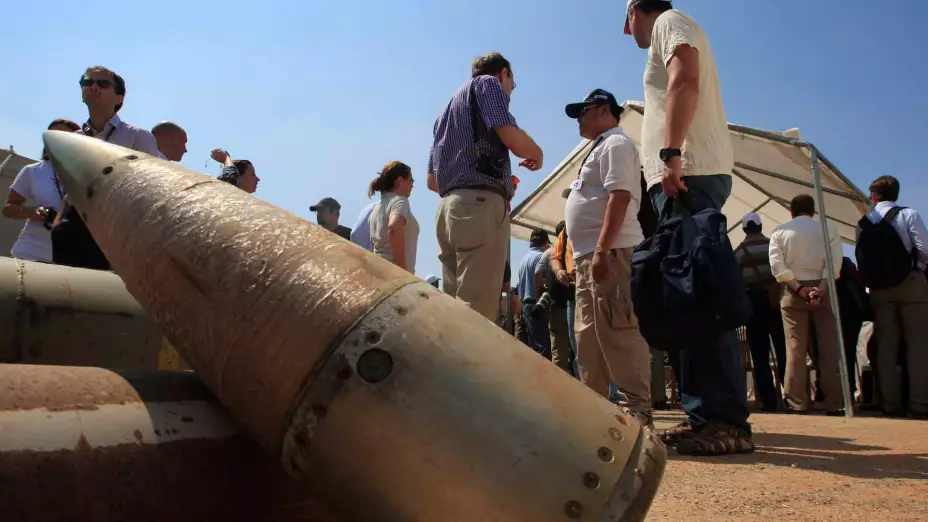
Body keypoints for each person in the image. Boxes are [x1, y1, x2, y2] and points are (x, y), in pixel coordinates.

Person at [625, 0, 753, 454]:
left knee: (700, 295)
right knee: (686, 298)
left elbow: (685, 76)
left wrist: (670, 152)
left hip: (688, 173)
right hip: (683, 175)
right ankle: (705, 415)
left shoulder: (669, 22)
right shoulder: (667, 26)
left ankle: (726, 421)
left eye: (626, 20)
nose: (627, 32)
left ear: (636, 9)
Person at [428, 52, 544, 321]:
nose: (510, 93)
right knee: (476, 315)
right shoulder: (486, 84)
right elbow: (507, 131)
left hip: (447, 209)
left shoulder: (444, 113)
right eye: (512, 86)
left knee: (455, 311)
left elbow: (432, 181)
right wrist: (536, 153)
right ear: (504, 73)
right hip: (478, 207)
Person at [563, 88, 652, 425]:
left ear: (602, 110)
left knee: (618, 329)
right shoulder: (599, 148)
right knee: (588, 337)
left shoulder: (616, 144)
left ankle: (638, 408)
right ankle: (595, 412)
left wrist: (601, 249)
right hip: (591, 256)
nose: (578, 120)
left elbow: (620, 196)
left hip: (612, 251)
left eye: (582, 113)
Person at [51, 66, 163, 270]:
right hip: (75, 227)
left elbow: (153, 186)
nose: (93, 87)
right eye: (87, 83)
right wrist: (58, 226)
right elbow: (69, 193)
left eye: (102, 84)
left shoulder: (138, 137)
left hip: (119, 225)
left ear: (119, 98)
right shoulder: (74, 140)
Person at [858, 175, 928, 418]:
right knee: (918, 345)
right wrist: (917, 269)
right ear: (895, 194)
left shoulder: (864, 222)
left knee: (886, 346)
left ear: (874, 196)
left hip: (879, 289)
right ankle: (920, 405)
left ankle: (890, 404)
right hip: (911, 283)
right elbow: (924, 248)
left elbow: (862, 258)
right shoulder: (909, 214)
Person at [768, 194, 845, 416]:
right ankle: (834, 402)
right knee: (829, 348)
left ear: (792, 211)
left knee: (795, 348)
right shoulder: (828, 229)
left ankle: (797, 402)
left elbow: (776, 266)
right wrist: (819, 288)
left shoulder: (779, 231)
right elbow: (834, 263)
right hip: (823, 288)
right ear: (813, 211)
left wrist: (799, 289)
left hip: (793, 291)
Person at [3, 119, 80, 262]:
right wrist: (32, 212)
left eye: (62, 136)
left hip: (71, 258)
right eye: (50, 135)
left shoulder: (87, 175)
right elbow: (8, 208)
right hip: (30, 252)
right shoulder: (32, 171)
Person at [733, 211, 787, 412]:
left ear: (745, 229)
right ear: (761, 226)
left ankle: (768, 400)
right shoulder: (773, 246)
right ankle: (789, 397)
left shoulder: (740, 251)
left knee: (760, 354)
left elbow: (734, 280)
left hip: (753, 303)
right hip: (776, 301)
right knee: (783, 350)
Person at [534, 222, 574, 375]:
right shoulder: (574, 247)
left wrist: (538, 296)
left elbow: (538, 272)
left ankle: (561, 380)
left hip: (557, 303)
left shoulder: (551, 252)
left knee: (558, 345)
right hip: (573, 300)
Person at [368, 161, 419, 273]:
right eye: (411, 181)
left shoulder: (374, 211)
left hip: (379, 271)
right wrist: (402, 269)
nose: (412, 186)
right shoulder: (400, 201)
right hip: (396, 273)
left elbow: (373, 246)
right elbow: (394, 227)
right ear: (399, 181)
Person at [514, 229, 551, 358]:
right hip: (538, 307)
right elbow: (546, 281)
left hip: (526, 307)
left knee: (534, 348)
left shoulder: (524, 260)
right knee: (543, 349)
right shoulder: (542, 257)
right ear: (545, 243)